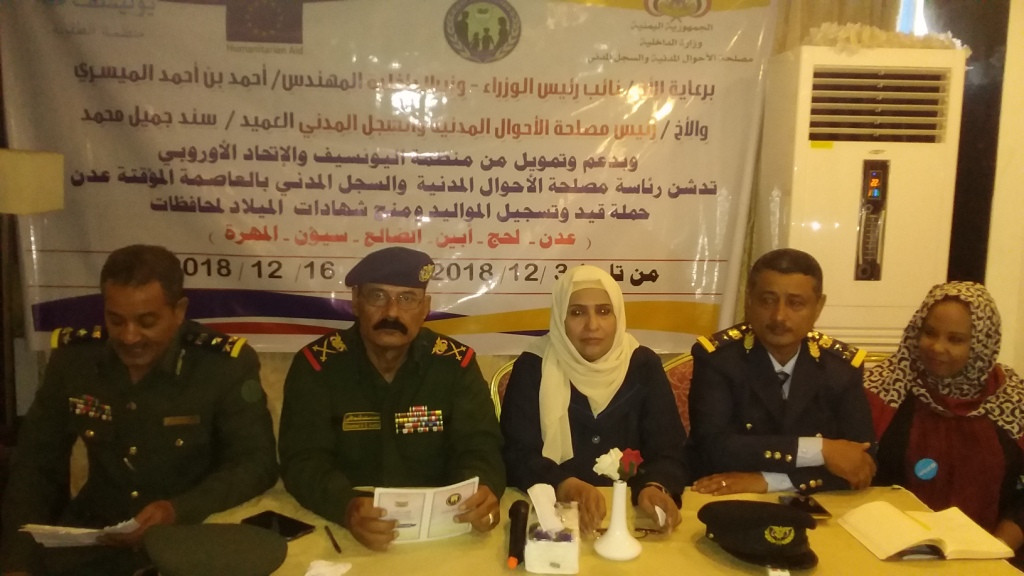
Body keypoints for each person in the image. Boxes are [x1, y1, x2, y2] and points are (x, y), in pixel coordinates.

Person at [0, 245, 278, 576]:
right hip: (95, 539)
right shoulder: (75, 361)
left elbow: (255, 463)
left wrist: (178, 509)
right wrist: (17, 563)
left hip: (187, 540)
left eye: (147, 322)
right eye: (116, 320)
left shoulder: (221, 366)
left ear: (179, 311)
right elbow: (35, 466)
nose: (129, 337)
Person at [278, 247, 505, 551]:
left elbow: (481, 447)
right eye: (378, 296)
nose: (392, 313)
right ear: (356, 301)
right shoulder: (317, 366)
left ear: (425, 308)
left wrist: (482, 489)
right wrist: (344, 505)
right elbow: (303, 460)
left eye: (407, 299)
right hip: (347, 523)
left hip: (441, 524)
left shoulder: (454, 366)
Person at [500, 265, 687, 534]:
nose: (592, 325)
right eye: (577, 313)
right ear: (560, 317)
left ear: (618, 315)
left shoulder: (643, 365)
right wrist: (563, 483)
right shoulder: (533, 367)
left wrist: (655, 486)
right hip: (555, 516)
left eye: (603, 311)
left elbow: (669, 448)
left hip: (630, 517)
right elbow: (516, 452)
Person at [688, 248, 876, 496]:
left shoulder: (840, 369)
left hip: (816, 503)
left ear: (818, 306)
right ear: (749, 300)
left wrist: (769, 481)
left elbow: (861, 463)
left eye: (795, 303)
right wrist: (821, 450)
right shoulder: (719, 360)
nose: (779, 316)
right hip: (731, 500)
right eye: (767, 300)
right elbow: (712, 448)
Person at [865, 282, 1024, 555]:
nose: (937, 347)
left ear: (982, 344)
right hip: (889, 553)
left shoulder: (1012, 401)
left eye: (955, 339)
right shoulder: (884, 389)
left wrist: (997, 549)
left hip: (990, 557)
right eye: (929, 333)